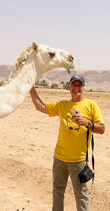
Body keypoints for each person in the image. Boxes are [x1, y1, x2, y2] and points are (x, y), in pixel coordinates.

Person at [29, 75, 105, 211]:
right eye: (73, 85)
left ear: (84, 88)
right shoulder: (62, 105)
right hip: (59, 158)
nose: (76, 88)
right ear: (69, 87)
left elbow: (102, 129)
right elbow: (40, 106)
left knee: (81, 195)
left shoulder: (91, 105)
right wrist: (31, 88)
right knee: (58, 191)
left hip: (78, 160)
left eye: (79, 85)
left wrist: (86, 123)